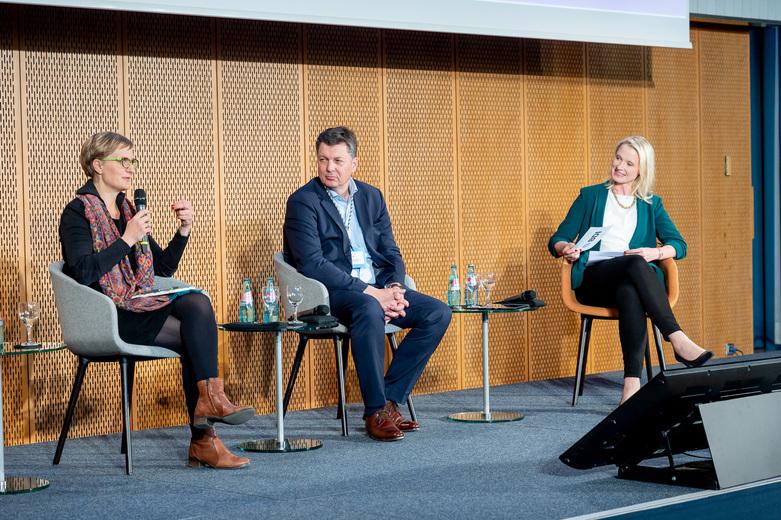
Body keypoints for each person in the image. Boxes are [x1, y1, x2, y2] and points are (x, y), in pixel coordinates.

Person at [59, 131, 255, 469]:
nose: (130, 168)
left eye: (132, 161)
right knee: (194, 337)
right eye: (123, 160)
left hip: (139, 304)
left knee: (197, 302)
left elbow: (160, 267)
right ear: (96, 165)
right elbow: (81, 271)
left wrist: (184, 231)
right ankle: (204, 437)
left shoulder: (127, 210)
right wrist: (126, 239)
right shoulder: (77, 212)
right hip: (108, 314)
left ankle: (210, 404)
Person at [283, 126, 451, 441]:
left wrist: (395, 290)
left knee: (438, 312)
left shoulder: (372, 197)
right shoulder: (304, 201)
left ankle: (389, 400)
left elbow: (390, 252)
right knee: (368, 308)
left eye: (337, 160)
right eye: (322, 160)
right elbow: (312, 264)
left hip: (376, 290)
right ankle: (375, 411)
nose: (329, 168)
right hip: (330, 294)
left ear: (354, 163)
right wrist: (374, 294)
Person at [549, 135, 713, 404]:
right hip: (596, 280)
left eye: (629, 163)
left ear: (641, 170)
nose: (620, 166)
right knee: (635, 264)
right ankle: (677, 337)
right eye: (617, 158)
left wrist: (656, 252)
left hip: (632, 283)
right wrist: (567, 248)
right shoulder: (590, 196)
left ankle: (631, 388)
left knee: (630, 290)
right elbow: (558, 238)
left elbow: (679, 245)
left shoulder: (651, 204)